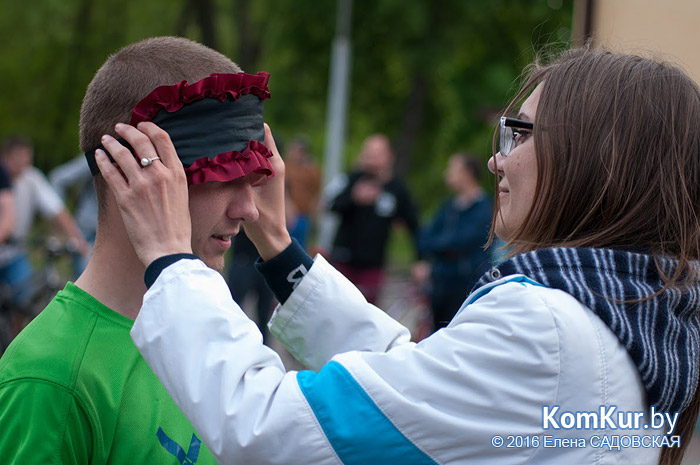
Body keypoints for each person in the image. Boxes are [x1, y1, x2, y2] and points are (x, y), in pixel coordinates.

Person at [108, 48, 699, 464]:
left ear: (597, 161)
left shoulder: (549, 334)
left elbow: (263, 426)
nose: (497, 159)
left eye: (518, 134)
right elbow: (415, 387)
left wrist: (170, 262)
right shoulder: (627, 319)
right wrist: (281, 248)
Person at [0, 36, 275, 462]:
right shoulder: (53, 377)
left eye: (253, 178)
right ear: (131, 173)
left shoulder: (212, 333)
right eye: (222, 176)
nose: (249, 210)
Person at [328, 134, 419, 303]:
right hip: (343, 259)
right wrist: (354, 198)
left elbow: (414, 224)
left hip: (373, 264)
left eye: (376, 153)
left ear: (389, 156)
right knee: (337, 307)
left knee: (366, 311)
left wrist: (420, 259)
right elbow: (331, 205)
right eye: (367, 153)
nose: (370, 158)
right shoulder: (351, 178)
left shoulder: (396, 188)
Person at [0, 136, 90, 305]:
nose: (22, 164)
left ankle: (18, 331)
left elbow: (56, 209)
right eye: (17, 159)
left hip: (14, 252)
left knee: (25, 299)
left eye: (26, 158)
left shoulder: (31, 178)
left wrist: (77, 239)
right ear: (5, 157)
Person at [412, 153, 493, 331]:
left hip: (466, 286)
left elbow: (463, 241)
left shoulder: (484, 208)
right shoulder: (449, 207)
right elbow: (425, 237)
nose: (447, 174)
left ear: (467, 173)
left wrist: (439, 247)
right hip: (441, 284)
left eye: (453, 169)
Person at [49, 153, 99, 277]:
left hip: (120, 235)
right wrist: (60, 218)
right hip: (88, 232)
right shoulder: (99, 154)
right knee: (86, 289)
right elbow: (58, 179)